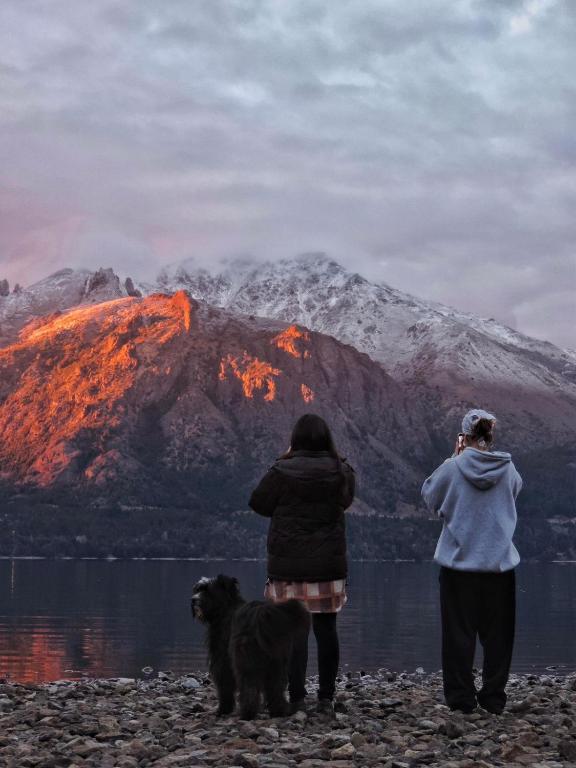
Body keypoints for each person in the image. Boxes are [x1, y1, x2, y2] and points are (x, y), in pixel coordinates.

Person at [249, 413, 355, 715]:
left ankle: (296, 697)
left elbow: (258, 503)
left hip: (288, 566)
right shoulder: (341, 471)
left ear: (294, 439)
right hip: (328, 565)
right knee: (327, 629)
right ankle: (325, 698)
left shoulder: (280, 471)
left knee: (295, 633)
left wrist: (284, 463)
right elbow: (346, 501)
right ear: (327, 439)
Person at [421, 408, 523, 715]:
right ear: (490, 435)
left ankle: (461, 699)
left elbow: (430, 496)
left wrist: (454, 458)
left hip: (459, 568)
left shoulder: (453, 468)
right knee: (498, 638)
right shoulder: (507, 468)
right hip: (499, 566)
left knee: (458, 636)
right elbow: (516, 491)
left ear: (463, 437)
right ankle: (493, 698)